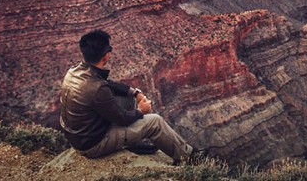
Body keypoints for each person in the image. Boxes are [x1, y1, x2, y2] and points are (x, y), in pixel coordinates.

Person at [60, 29, 207, 164]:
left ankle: (131, 141)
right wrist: (141, 111)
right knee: (155, 122)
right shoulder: (97, 89)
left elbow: (107, 84)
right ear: (106, 55)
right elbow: (122, 118)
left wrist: (134, 92)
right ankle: (189, 158)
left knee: (128, 99)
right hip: (92, 144)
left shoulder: (75, 71)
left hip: (81, 134)